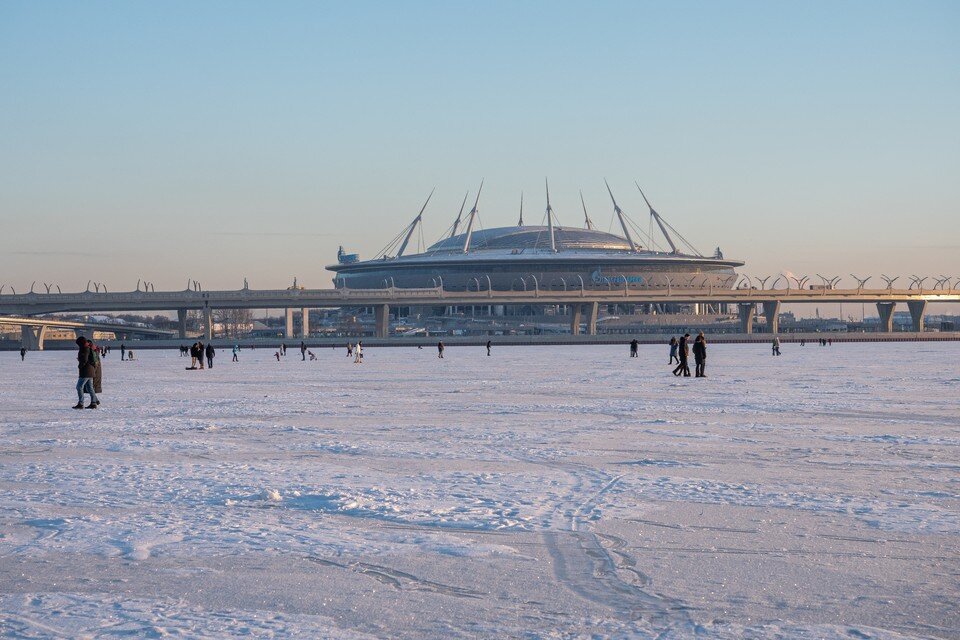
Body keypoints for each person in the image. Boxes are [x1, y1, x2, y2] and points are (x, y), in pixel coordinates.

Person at [74, 337, 98, 409]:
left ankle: (81, 403)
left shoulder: (84, 348)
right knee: (89, 388)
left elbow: (84, 360)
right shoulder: (88, 347)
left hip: (86, 371)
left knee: (79, 387)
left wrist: (80, 366)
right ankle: (94, 403)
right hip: (91, 370)